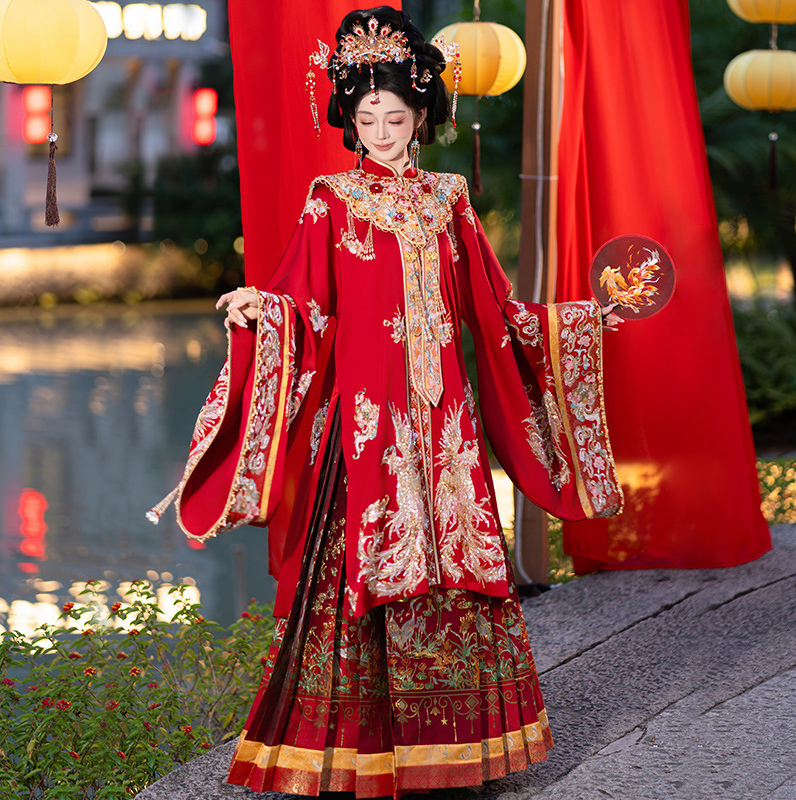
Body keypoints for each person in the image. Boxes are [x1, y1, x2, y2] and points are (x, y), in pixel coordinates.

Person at [149, 6, 623, 797]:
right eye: (366, 115)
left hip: (449, 427)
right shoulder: (329, 199)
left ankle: (466, 753)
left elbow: (496, 312)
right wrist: (260, 310)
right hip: (369, 426)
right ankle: (365, 757)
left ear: (421, 117)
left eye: (395, 115)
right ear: (348, 119)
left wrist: (577, 323)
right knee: (366, 570)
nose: (380, 127)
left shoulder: (449, 198)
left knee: (464, 572)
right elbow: (305, 302)